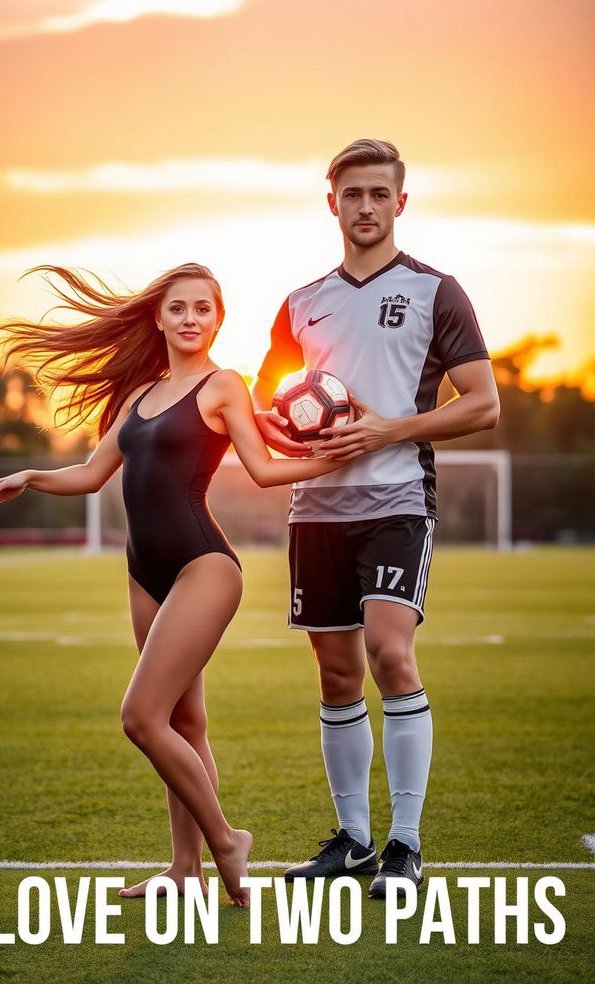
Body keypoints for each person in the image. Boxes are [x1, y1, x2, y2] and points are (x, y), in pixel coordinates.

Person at [0, 261, 350, 907]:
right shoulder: (137, 395)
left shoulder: (223, 385)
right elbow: (94, 474)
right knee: (184, 720)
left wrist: (347, 453)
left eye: (203, 308)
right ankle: (187, 872)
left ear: (217, 318)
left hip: (201, 565)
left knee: (141, 717)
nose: (190, 319)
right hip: (143, 570)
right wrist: (32, 475)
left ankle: (228, 841)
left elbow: (263, 469)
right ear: (159, 316)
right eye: (178, 308)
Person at [252, 139, 500, 898]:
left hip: (397, 501)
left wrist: (386, 428)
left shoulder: (437, 291)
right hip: (317, 509)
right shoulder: (300, 302)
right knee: (335, 674)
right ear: (332, 204)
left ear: (400, 201)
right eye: (351, 194)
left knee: (391, 656)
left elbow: (484, 407)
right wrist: (298, 435)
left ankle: (405, 845)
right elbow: (265, 410)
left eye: (378, 194)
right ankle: (354, 840)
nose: (365, 206)